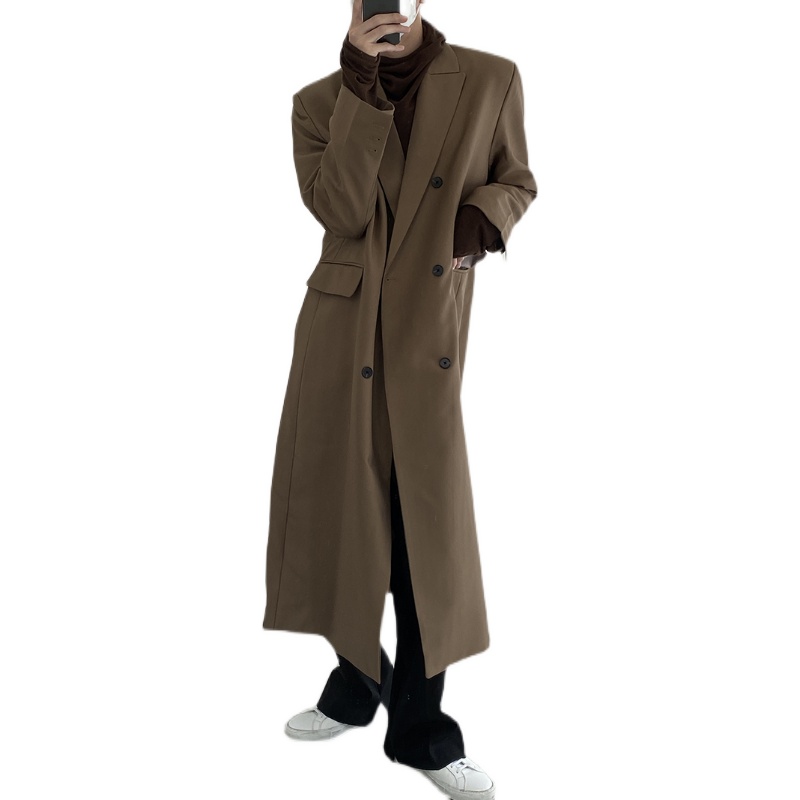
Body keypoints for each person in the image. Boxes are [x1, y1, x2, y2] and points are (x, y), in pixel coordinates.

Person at [262, 1, 537, 797]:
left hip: (426, 328)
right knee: (345, 516)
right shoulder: (320, 102)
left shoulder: (491, 78)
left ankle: (421, 732)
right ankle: (356, 687)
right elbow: (342, 210)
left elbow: (517, 179)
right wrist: (361, 85)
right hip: (341, 332)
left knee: (424, 536)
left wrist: (476, 226)